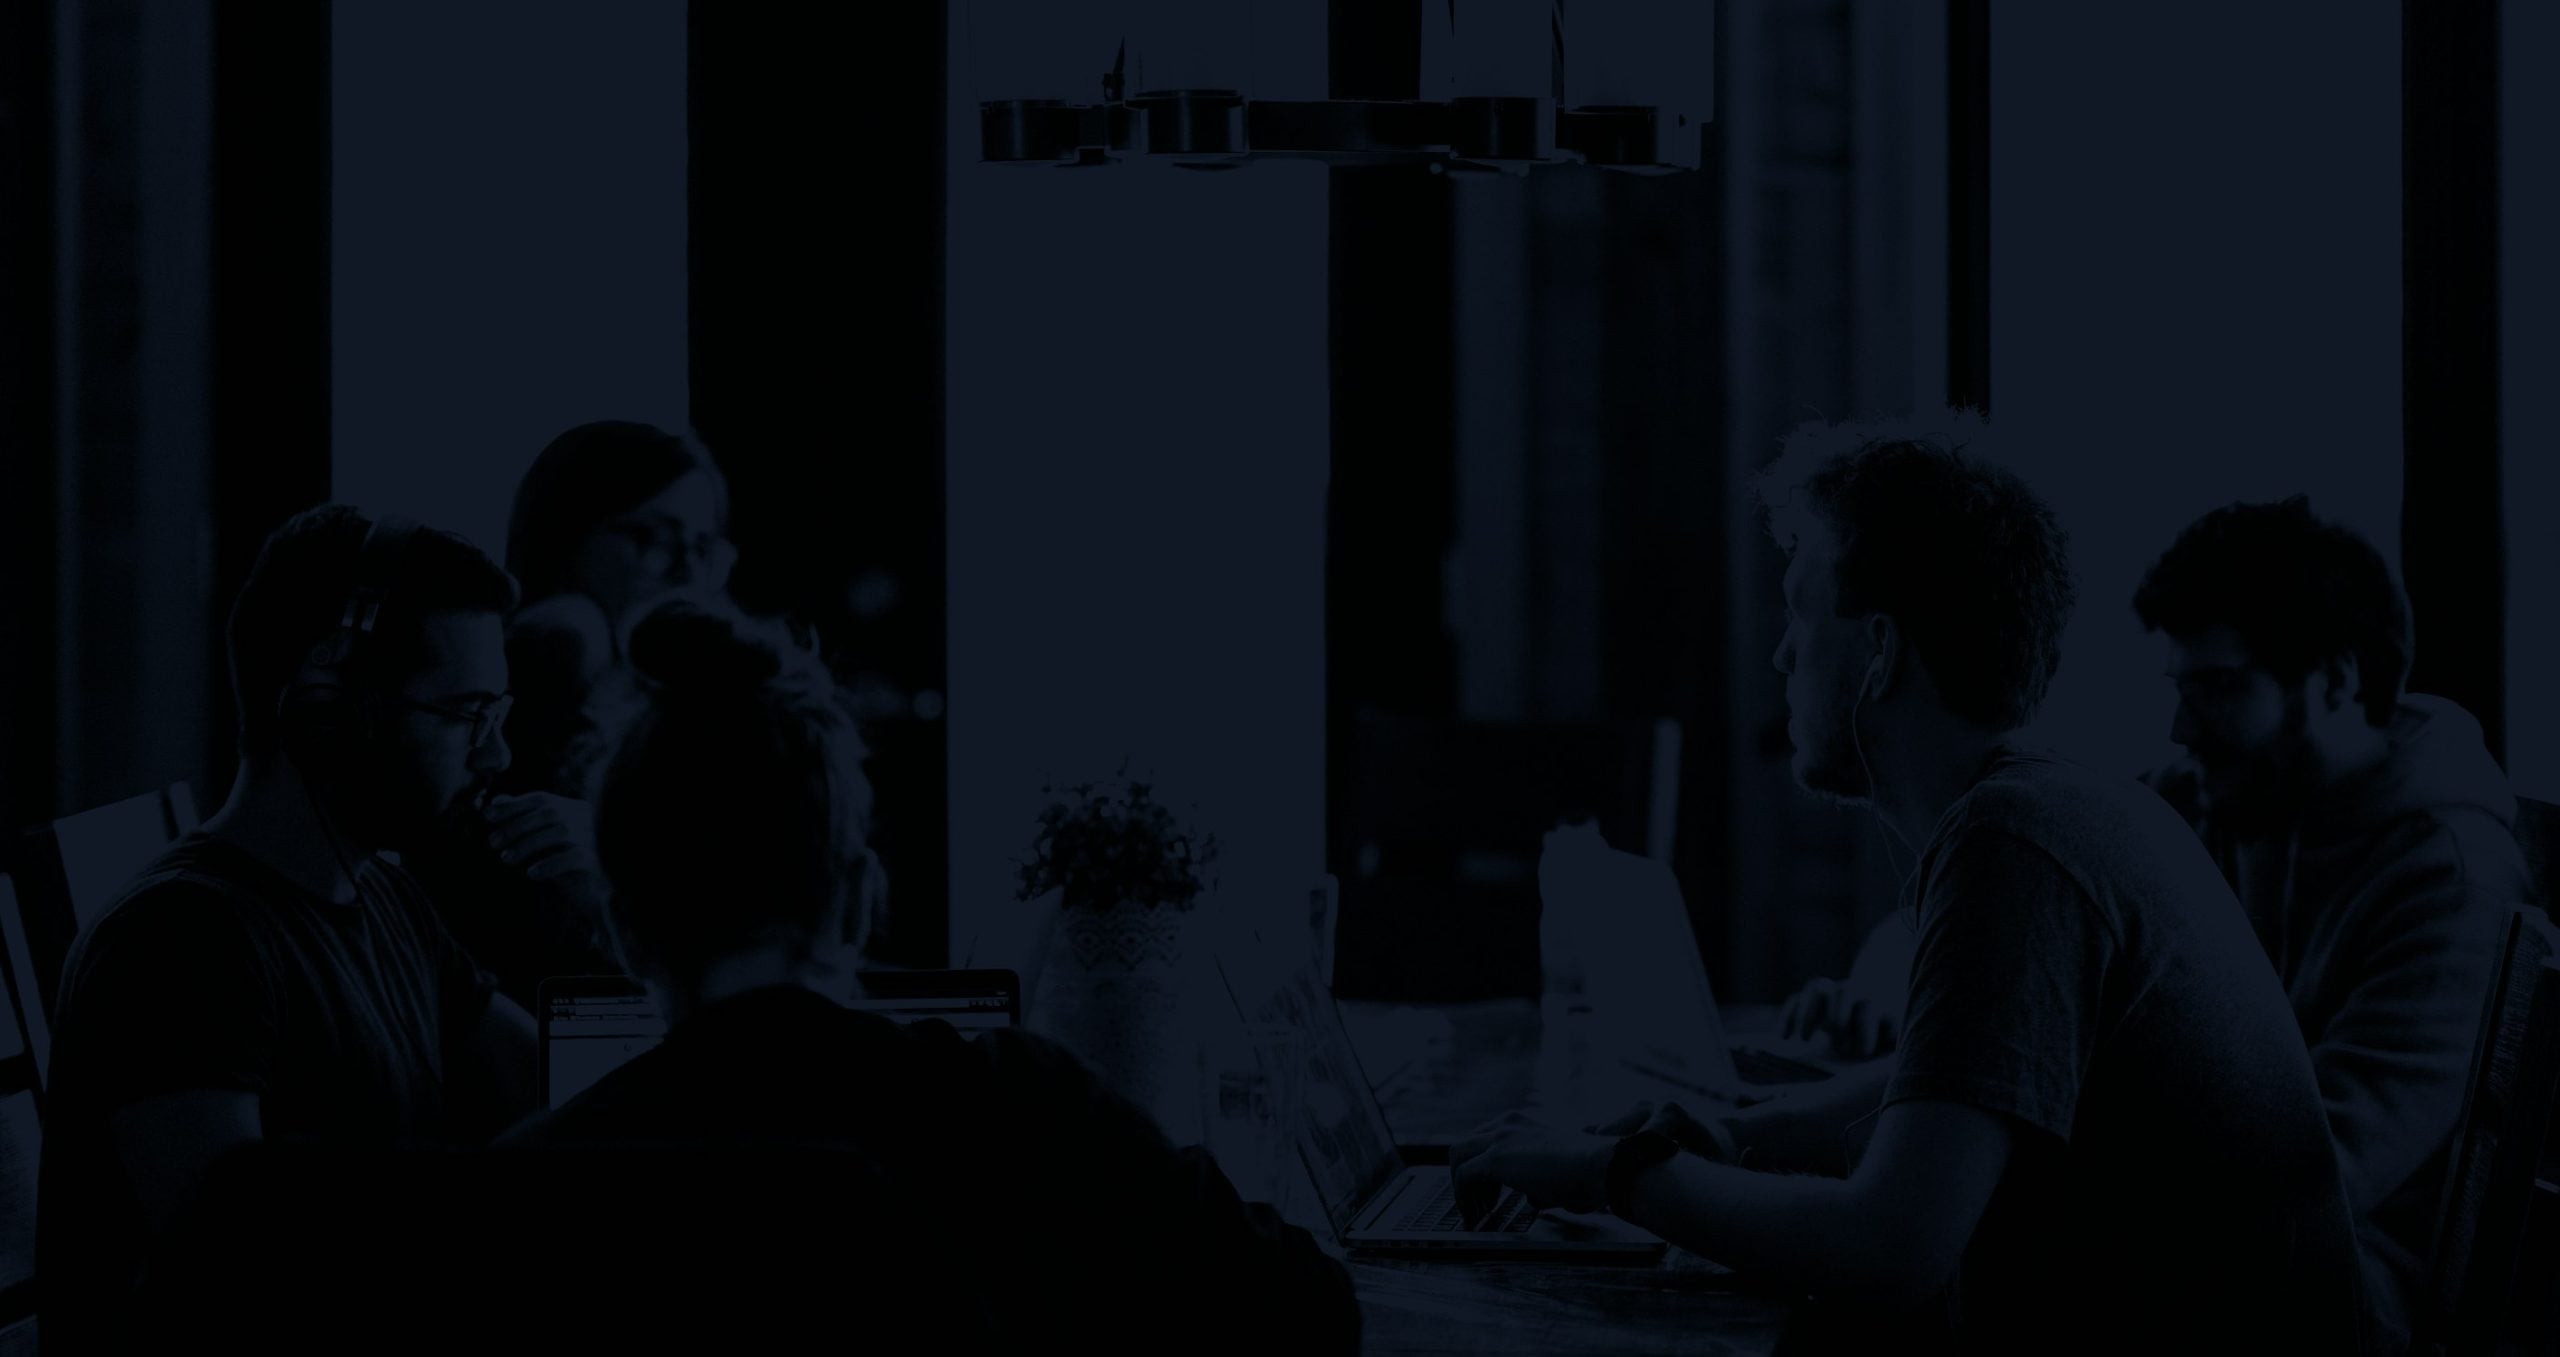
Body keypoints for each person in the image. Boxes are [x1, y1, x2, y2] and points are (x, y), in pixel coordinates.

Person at [1450, 424, 2368, 1351]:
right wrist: (1732, 1135)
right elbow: (1956, 1082)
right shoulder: (2056, 804)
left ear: (1881, 653)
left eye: (1797, 616)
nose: (1780, 658)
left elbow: (1890, 1249)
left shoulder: (2012, 842)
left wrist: (1616, 1172)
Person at [500, 600, 1361, 1351]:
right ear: (858, 899)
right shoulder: (1024, 1110)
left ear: (622, 929)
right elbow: (1309, 1310)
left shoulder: (529, 1190)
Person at [36, 506, 540, 1356]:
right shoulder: (183, 942)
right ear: (324, 713)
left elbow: (562, 1094)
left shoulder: (384, 895)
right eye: (466, 715)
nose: (498, 759)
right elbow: (238, 1280)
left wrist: (619, 897)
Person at [2133, 496, 2526, 1350]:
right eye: (2179, 688)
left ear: (2340, 681)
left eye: (2220, 688)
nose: (2180, 727)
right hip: (2201, 1246)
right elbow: (2033, 893)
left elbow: (2314, 1176)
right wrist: (1886, 974)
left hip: (2332, 1294)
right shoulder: (2207, 795)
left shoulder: (2450, 876)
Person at [410, 420, 736, 1008]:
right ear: (566, 538)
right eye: (651, 538)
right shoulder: (561, 645)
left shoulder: (670, 700)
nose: (686, 571)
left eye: (704, 547)